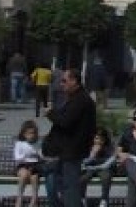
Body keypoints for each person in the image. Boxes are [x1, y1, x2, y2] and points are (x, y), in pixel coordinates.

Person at [44, 69, 96, 207]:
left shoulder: (81, 100)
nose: (61, 84)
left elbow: (66, 121)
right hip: (64, 152)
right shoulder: (74, 98)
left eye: (64, 81)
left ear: (74, 81)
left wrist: (51, 114)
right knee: (55, 182)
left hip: (72, 151)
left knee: (70, 187)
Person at [12, 120, 45, 207]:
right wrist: (28, 155)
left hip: (35, 165)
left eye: (33, 133)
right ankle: (19, 197)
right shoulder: (20, 143)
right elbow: (17, 158)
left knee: (34, 177)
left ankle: (34, 199)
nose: (32, 136)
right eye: (29, 133)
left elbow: (41, 156)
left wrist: (39, 155)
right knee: (24, 175)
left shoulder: (38, 143)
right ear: (24, 134)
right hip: (23, 165)